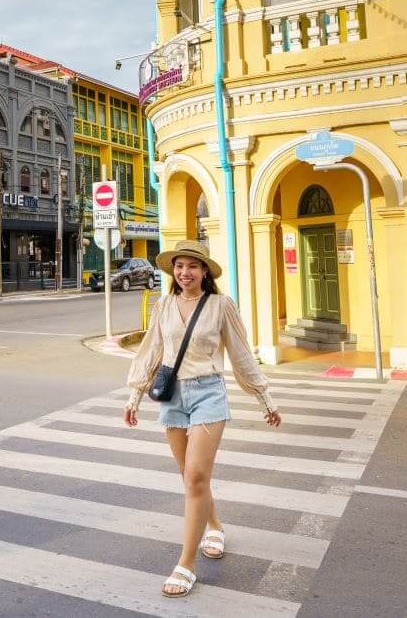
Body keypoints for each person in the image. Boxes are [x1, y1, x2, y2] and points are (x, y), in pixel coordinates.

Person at [123, 240, 281, 598]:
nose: (185, 273)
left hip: (209, 391)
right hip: (173, 394)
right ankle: (215, 525)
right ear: (172, 271)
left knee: (196, 475)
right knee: (188, 476)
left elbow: (241, 355)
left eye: (192, 266)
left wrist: (264, 399)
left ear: (204, 271)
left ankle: (186, 564)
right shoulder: (164, 305)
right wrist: (135, 395)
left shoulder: (221, 305)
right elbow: (152, 351)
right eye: (179, 266)